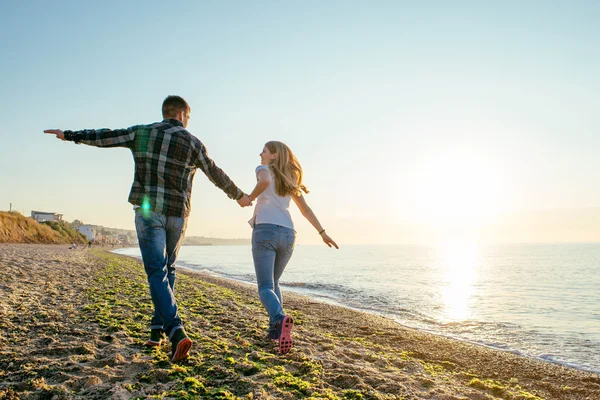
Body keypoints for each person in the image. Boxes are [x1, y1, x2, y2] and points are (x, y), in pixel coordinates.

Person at [44, 95, 252, 362]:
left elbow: (106, 137)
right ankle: (157, 332)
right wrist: (239, 196)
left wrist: (70, 135)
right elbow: (215, 173)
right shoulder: (193, 143)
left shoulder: (142, 132)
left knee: (157, 271)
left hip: (148, 212)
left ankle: (174, 332)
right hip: (178, 215)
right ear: (181, 115)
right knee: (168, 270)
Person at [247, 141, 338, 354]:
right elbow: (305, 209)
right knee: (274, 282)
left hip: (265, 231)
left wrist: (250, 197)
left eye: (265, 151)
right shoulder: (290, 180)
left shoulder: (263, 169)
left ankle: (279, 318)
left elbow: (265, 180)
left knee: (265, 286)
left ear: (274, 156)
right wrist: (322, 232)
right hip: (288, 234)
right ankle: (275, 331)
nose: (260, 154)